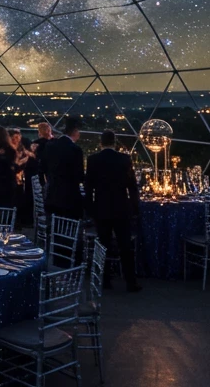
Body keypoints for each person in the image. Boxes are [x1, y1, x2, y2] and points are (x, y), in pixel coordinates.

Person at [86, 130, 142, 292]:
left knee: (103, 244)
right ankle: (130, 282)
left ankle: (104, 280)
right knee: (125, 245)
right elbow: (132, 186)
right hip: (121, 208)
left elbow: (89, 187)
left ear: (101, 143)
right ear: (115, 142)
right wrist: (134, 208)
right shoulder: (124, 159)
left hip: (101, 208)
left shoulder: (93, 160)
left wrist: (90, 208)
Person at [44, 117, 85, 223]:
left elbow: (44, 168)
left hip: (52, 197)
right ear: (75, 132)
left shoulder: (50, 146)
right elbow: (79, 176)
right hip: (69, 200)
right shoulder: (75, 150)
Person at [11, 128, 37, 227]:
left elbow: (30, 155)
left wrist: (31, 153)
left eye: (19, 136)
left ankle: (20, 220)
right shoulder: (9, 148)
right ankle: (16, 221)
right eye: (16, 137)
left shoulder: (21, 146)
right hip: (13, 177)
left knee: (20, 197)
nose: (18, 138)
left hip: (20, 178)